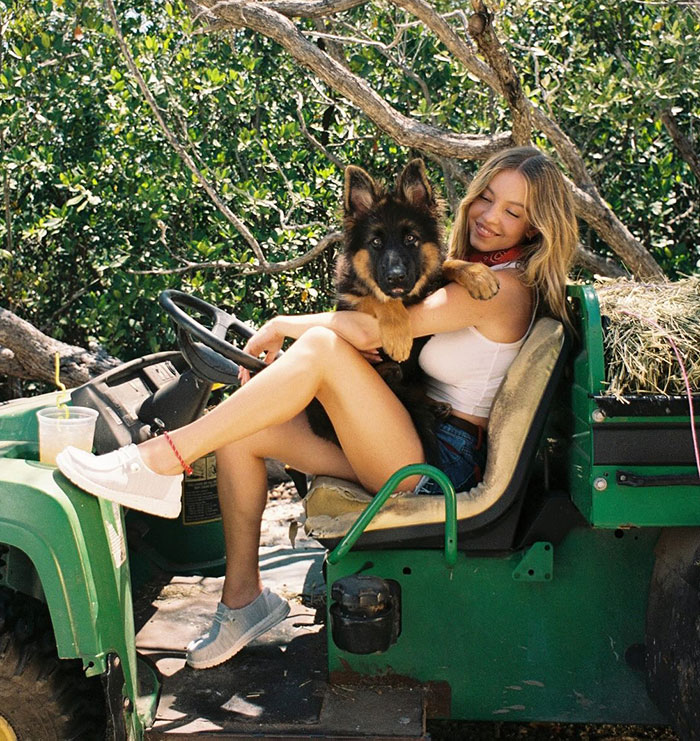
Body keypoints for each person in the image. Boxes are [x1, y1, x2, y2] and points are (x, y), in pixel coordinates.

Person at [57, 146, 577, 670]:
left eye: (512, 211)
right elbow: (388, 310)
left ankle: (160, 459)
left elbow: (370, 331)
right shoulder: (469, 272)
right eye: (486, 197)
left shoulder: (503, 288)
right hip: (407, 438)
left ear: (535, 228)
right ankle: (243, 601)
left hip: (439, 467)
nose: (490, 216)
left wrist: (282, 325)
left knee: (322, 348)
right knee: (243, 430)